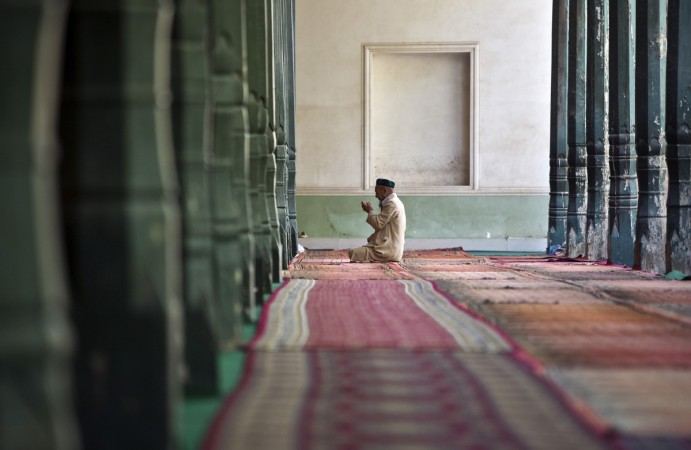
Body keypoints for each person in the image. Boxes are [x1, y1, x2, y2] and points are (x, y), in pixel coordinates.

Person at [348, 178, 406, 262]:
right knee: (360, 250)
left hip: (388, 251)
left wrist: (370, 211)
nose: (376, 196)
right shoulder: (395, 202)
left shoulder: (392, 204)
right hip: (391, 248)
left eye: (377, 192)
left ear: (384, 190)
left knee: (353, 253)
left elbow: (378, 224)